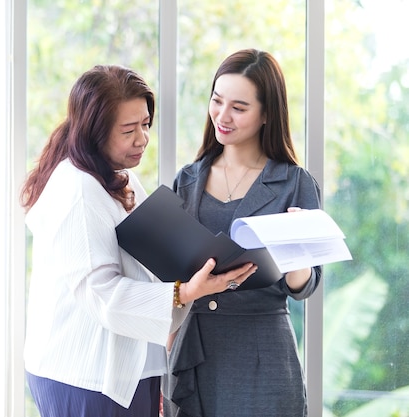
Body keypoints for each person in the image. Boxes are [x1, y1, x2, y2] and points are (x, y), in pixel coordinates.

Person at [20, 64, 257, 417]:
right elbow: (103, 294)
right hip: (87, 377)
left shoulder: (117, 176)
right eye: (128, 130)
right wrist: (186, 291)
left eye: (145, 124)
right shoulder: (79, 189)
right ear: (93, 132)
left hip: (122, 373)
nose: (142, 139)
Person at [161, 49, 322, 417]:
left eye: (239, 107)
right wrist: (162, 367)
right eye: (217, 101)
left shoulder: (294, 183)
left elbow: (307, 286)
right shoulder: (186, 180)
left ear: (267, 114)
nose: (222, 115)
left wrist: (292, 250)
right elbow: (172, 282)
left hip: (263, 356)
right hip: (193, 354)